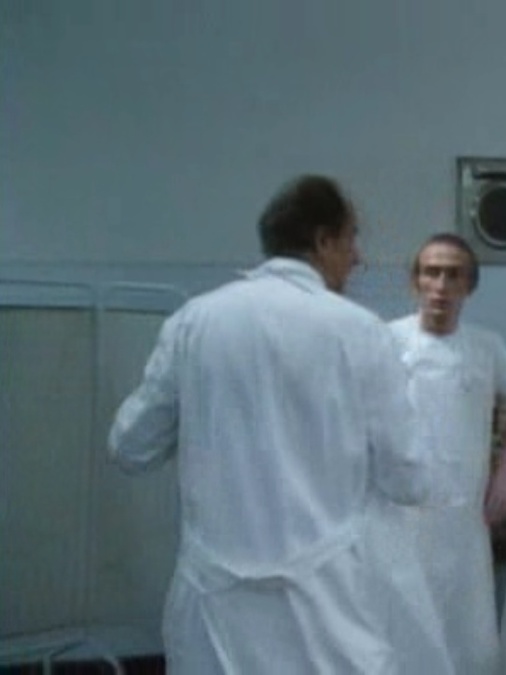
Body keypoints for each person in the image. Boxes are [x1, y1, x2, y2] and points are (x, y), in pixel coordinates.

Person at [108, 175, 422, 674]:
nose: (357, 257)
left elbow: (130, 446)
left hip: (215, 606)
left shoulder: (194, 322)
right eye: (351, 240)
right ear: (323, 241)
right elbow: (408, 478)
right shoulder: (360, 331)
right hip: (326, 612)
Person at [367, 232, 506, 674]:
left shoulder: (486, 347)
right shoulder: (384, 341)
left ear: (469, 286)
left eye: (453, 275)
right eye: (431, 273)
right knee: (402, 633)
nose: (440, 285)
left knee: (467, 638)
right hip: (397, 520)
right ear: (415, 282)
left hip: (463, 520)